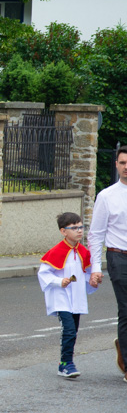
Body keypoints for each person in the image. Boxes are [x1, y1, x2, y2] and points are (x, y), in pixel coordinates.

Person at [39, 212, 97, 378]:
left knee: (74, 330)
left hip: (77, 297)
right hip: (61, 298)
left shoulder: (83, 252)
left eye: (80, 227)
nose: (79, 231)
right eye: (74, 228)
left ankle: (66, 361)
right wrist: (59, 282)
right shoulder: (56, 251)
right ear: (63, 231)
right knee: (69, 330)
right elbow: (44, 273)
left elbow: (85, 273)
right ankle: (66, 363)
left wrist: (92, 279)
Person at [86, 144, 126, 380]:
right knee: (126, 309)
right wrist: (95, 267)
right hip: (118, 256)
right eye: (122, 163)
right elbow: (96, 234)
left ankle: (123, 346)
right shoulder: (107, 196)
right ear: (117, 165)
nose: (126, 167)